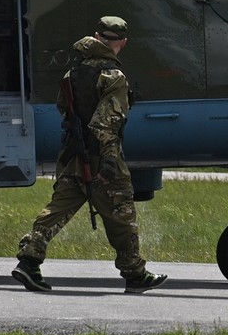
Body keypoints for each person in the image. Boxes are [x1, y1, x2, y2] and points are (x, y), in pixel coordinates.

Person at [12, 16, 167, 294]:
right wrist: (108, 161)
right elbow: (107, 121)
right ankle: (134, 274)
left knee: (58, 208)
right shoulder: (113, 76)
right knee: (121, 213)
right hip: (102, 156)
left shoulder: (74, 72)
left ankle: (29, 260)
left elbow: (65, 109)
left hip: (74, 154)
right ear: (123, 42)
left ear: (97, 36)